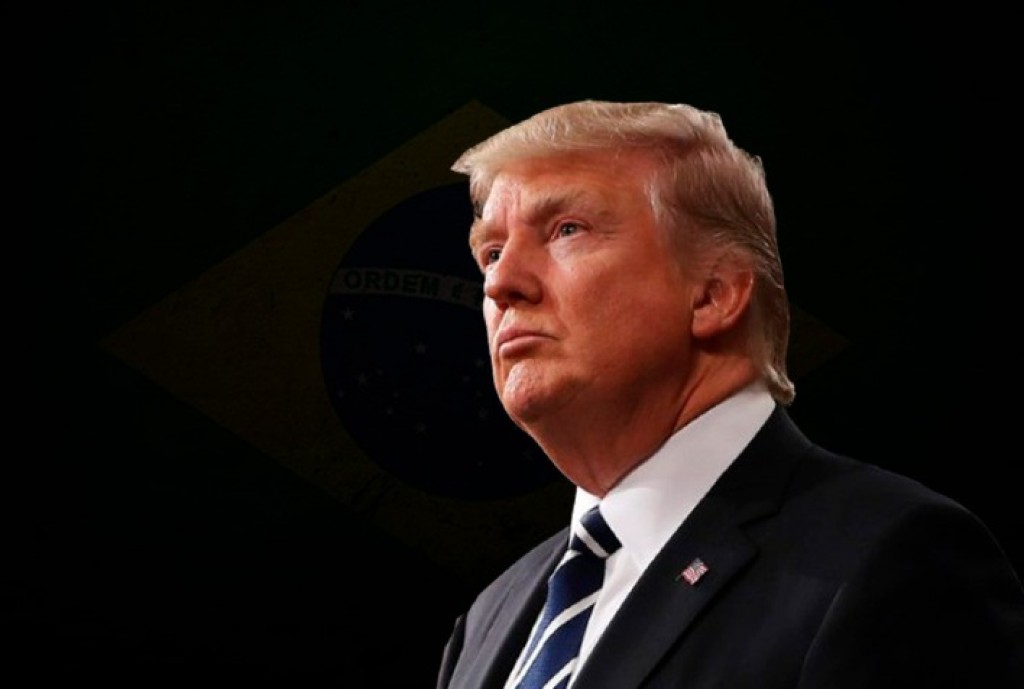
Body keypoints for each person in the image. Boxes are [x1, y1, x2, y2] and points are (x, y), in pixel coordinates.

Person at [435, 100, 1024, 689]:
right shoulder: (490, 618)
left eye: (567, 230)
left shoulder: (890, 557)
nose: (501, 283)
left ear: (714, 295)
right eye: (491, 253)